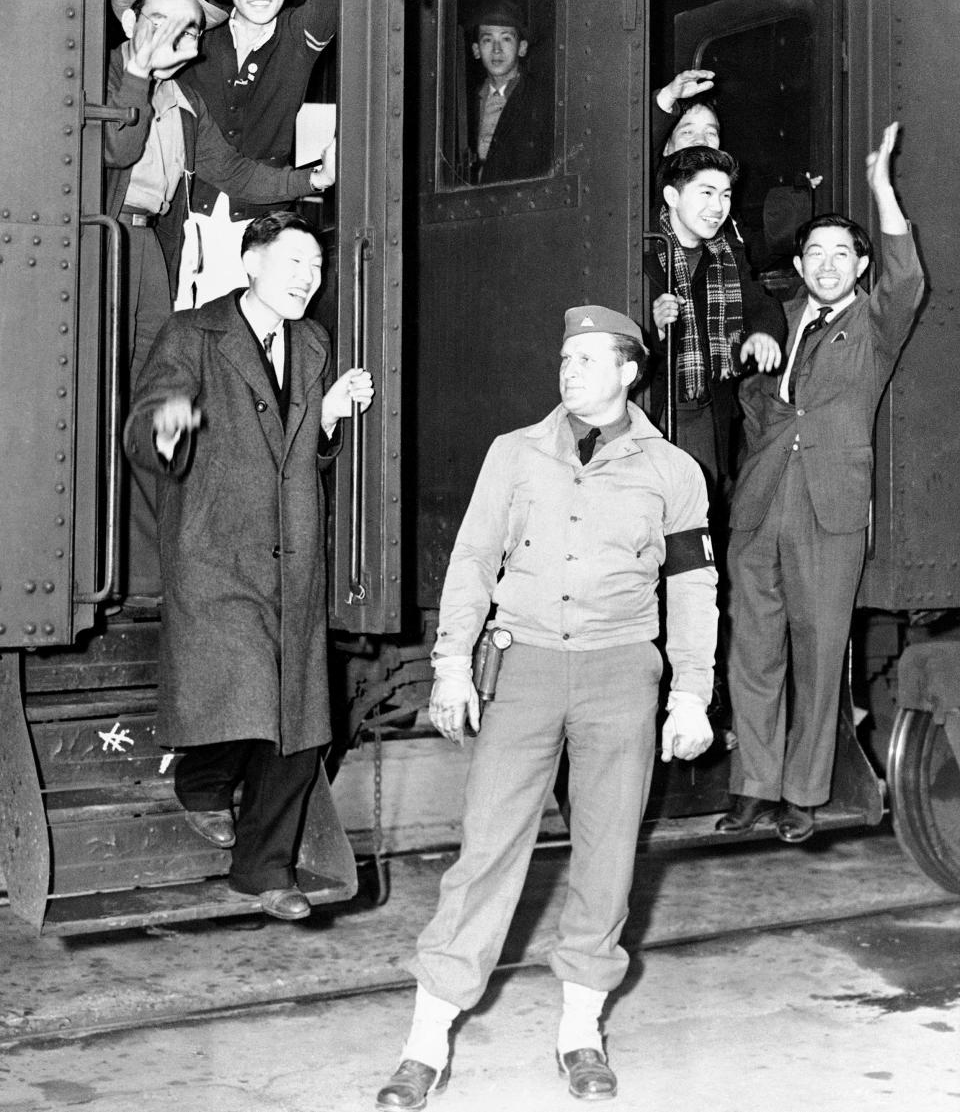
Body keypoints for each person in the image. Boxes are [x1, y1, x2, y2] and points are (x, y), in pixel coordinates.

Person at [374, 306, 718, 1109]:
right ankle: (426, 1041)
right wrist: (453, 661)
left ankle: (581, 1034)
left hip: (620, 672)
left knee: (607, 855)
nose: (570, 372)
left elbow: (693, 587)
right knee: (487, 846)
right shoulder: (514, 453)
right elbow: (472, 556)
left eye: (591, 359)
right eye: (566, 357)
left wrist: (692, 690)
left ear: (631, 370)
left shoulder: (673, 471)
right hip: (523, 665)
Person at [122, 212, 374, 919]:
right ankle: (200, 782)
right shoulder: (193, 334)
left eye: (317, 266)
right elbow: (144, 426)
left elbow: (307, 455)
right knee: (237, 700)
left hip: (292, 557)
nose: (308, 278)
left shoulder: (315, 343)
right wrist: (165, 423)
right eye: (294, 261)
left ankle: (264, 870)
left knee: (298, 725)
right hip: (215, 551)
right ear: (251, 261)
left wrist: (325, 419)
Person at [717, 123, 924, 845]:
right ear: (799, 265)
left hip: (829, 508)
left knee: (818, 647)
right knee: (753, 645)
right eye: (817, 253)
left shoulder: (875, 322)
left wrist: (881, 189)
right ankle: (752, 783)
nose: (828, 264)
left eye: (844, 254)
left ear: (860, 265)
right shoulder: (780, 316)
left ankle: (803, 792)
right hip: (761, 502)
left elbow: (909, 278)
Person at [104, 0, 330, 598]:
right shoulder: (108, 78)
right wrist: (134, 77)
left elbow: (234, 172)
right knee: (98, 400)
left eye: (186, 29)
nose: (173, 40)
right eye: (158, 23)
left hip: (146, 249)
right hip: (102, 244)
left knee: (150, 405)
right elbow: (115, 153)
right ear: (129, 21)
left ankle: (145, 572)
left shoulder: (184, 101)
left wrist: (310, 179)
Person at [177, 0, 339, 308]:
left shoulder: (299, 36)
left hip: (262, 226)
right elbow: (137, 4)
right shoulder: (195, 37)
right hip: (186, 219)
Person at [645, 145, 785, 494]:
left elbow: (762, 306)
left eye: (725, 195)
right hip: (649, 409)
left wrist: (763, 334)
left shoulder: (727, 254)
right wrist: (653, 326)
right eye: (706, 193)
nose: (718, 207)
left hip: (704, 413)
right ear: (671, 196)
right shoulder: (641, 247)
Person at [467, 0, 551, 185]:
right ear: (476, 50)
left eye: (506, 38)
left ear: (522, 48)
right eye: (487, 40)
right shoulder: (465, 102)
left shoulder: (543, 100)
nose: (497, 50)